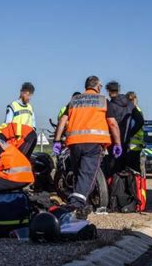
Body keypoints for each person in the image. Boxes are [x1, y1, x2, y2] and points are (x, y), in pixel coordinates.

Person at [53, 76, 122, 218]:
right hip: (93, 143)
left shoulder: (74, 101)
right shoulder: (103, 101)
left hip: (74, 143)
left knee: (79, 174)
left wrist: (57, 140)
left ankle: (82, 205)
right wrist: (118, 143)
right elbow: (113, 124)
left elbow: (63, 120)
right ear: (97, 87)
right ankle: (75, 204)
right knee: (87, 175)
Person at [104, 82, 144, 174]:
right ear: (119, 90)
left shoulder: (110, 105)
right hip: (127, 143)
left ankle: (115, 187)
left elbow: (110, 124)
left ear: (108, 91)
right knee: (128, 171)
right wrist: (130, 133)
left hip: (114, 142)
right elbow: (140, 121)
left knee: (113, 170)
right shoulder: (130, 104)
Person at [125, 91, 145, 173]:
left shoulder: (134, 110)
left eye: (131, 99)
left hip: (132, 146)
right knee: (136, 170)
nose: (131, 101)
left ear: (135, 99)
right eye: (129, 100)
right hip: (136, 145)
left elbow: (140, 122)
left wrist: (129, 134)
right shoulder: (138, 109)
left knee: (132, 171)